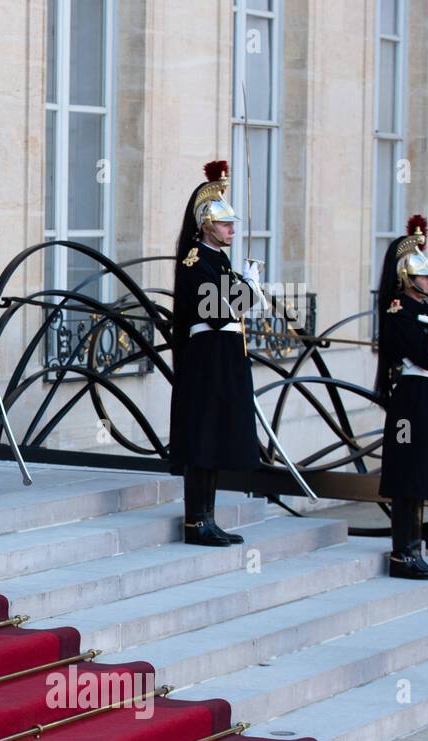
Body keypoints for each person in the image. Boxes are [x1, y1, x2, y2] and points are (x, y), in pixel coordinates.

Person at [168, 160, 263, 547]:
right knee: (202, 437)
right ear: (206, 223)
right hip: (206, 356)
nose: (232, 229)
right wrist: (251, 289)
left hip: (223, 355)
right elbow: (219, 308)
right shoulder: (195, 260)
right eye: (225, 224)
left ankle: (208, 516)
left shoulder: (217, 259)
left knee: (217, 435)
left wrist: (244, 290)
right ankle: (196, 521)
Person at [375, 215, 428, 580]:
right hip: (410, 403)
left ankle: (414, 549)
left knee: (421, 475)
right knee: (407, 474)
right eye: (423, 277)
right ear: (407, 279)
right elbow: (427, 354)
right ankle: (401, 554)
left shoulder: (423, 311)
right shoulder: (399, 312)